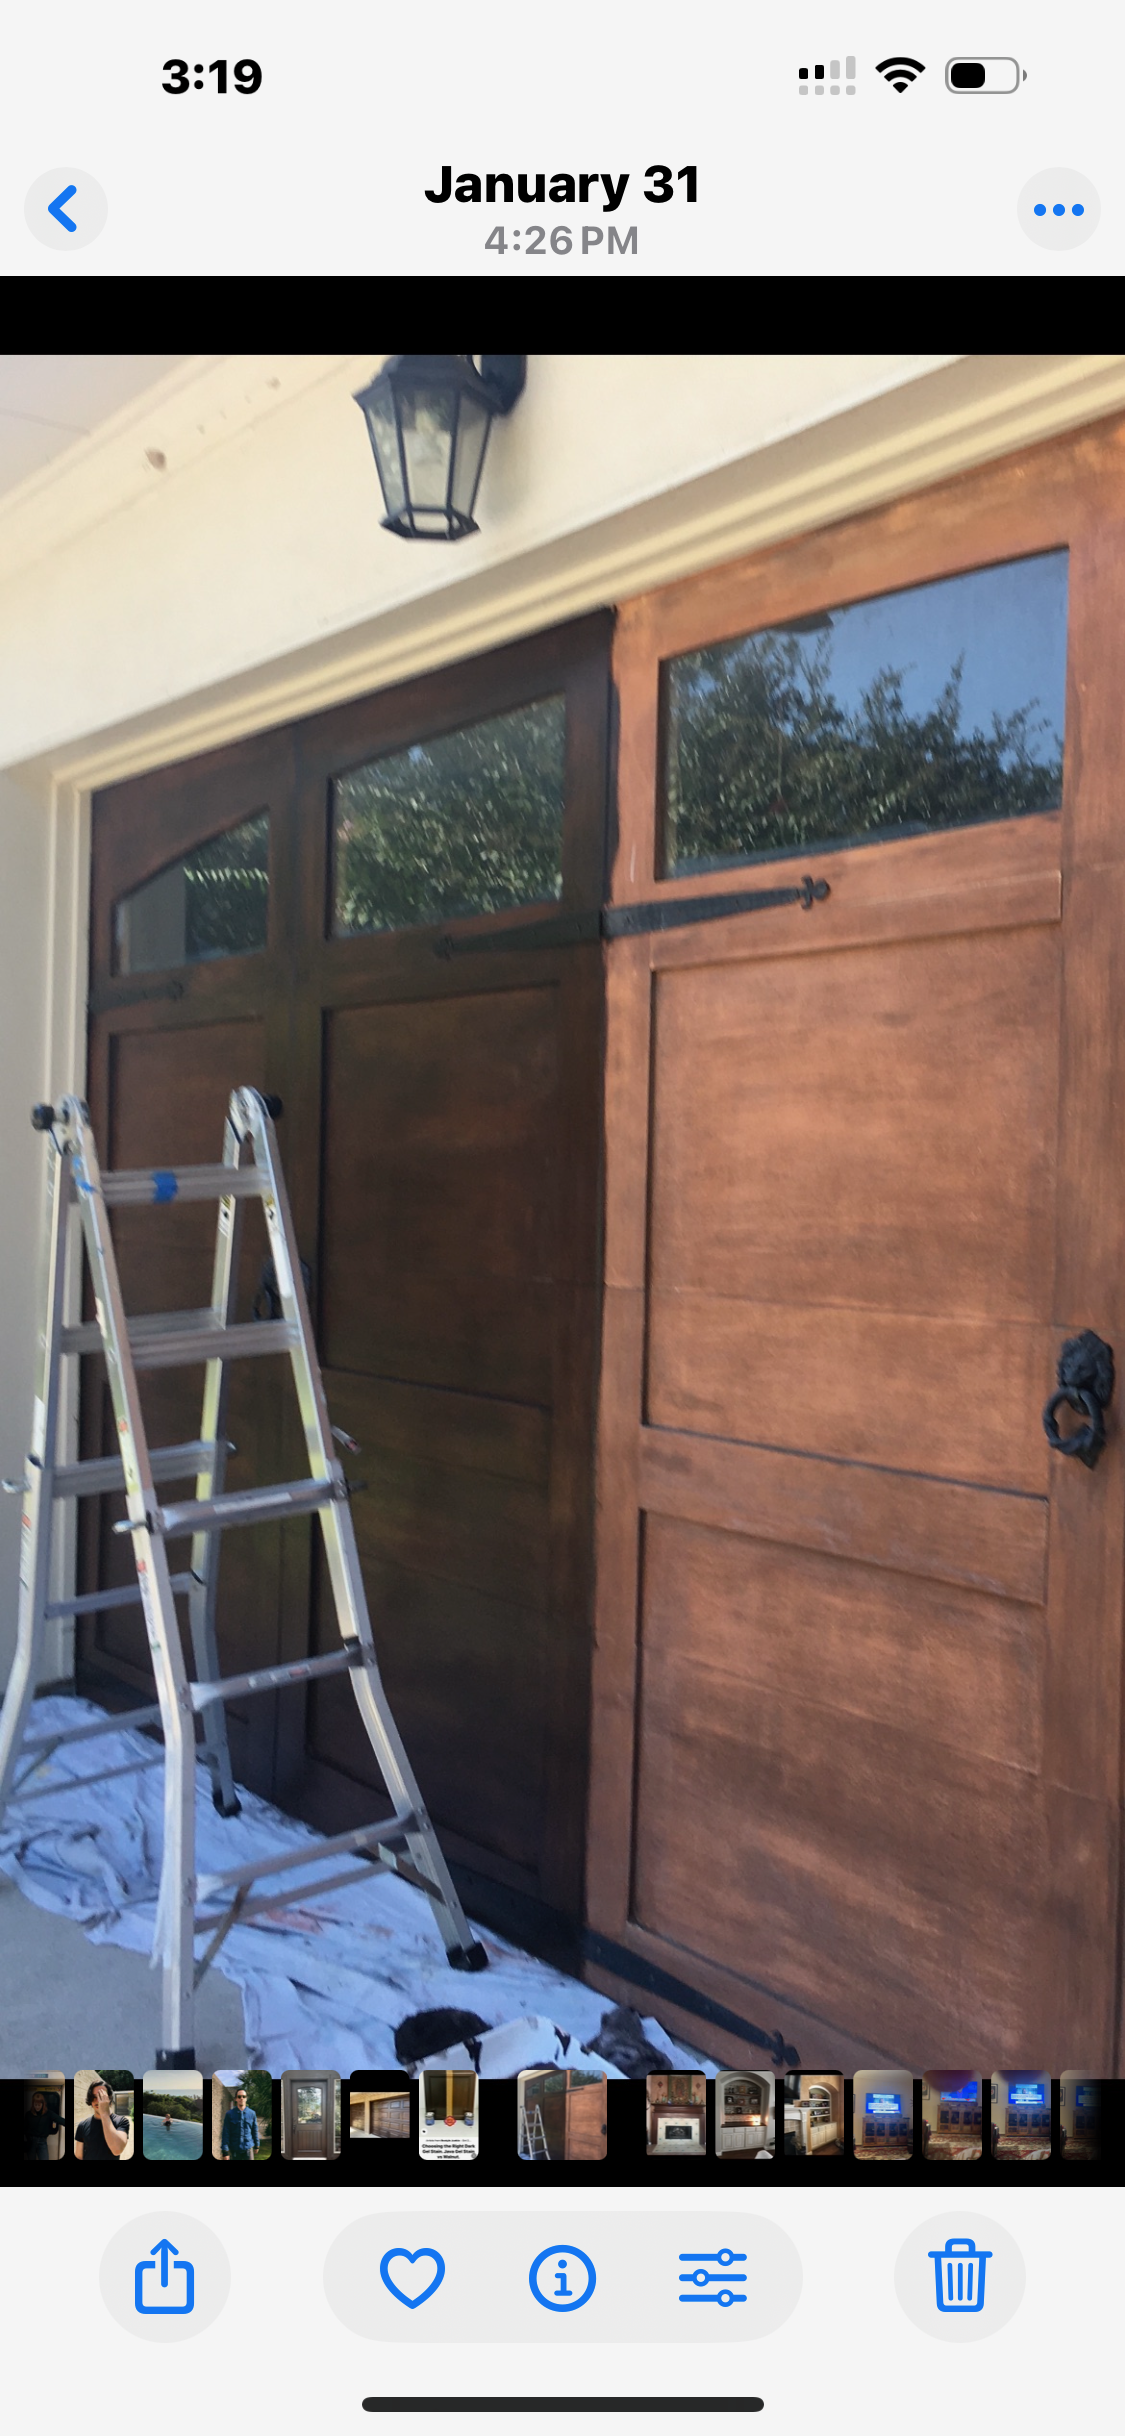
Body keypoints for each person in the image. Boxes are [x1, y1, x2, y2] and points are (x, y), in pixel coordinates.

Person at [75, 2080, 130, 2161]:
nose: (98, 2101)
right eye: (94, 2097)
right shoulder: (82, 2125)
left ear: (109, 2098)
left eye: (102, 2096)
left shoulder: (122, 2122)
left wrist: (104, 2113)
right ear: (90, 2100)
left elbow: (117, 2150)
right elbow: (79, 2156)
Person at [221, 2086, 260, 2162]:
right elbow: (226, 2133)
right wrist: (225, 2151)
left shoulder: (252, 2113)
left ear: (246, 2098)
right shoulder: (229, 2114)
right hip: (235, 2149)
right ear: (236, 2099)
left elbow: (254, 2130)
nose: (241, 2098)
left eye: (243, 2096)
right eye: (239, 2096)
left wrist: (257, 2145)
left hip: (248, 2148)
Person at [24, 2086, 62, 2161]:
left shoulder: (49, 2114)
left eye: (39, 2105)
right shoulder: (28, 2114)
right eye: (35, 2105)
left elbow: (60, 2120)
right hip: (31, 2142)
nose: (37, 2107)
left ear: (43, 2104)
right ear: (33, 2104)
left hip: (42, 2142)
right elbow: (25, 2128)